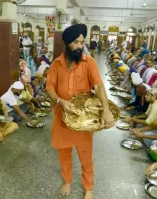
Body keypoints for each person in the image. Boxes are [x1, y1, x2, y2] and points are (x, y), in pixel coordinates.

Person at [45, 24, 115, 199]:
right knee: (64, 153)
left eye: (82, 42)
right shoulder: (56, 64)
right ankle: (67, 181)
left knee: (85, 155)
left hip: (83, 119)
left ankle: (88, 187)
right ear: (68, 43)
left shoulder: (89, 62)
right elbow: (49, 88)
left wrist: (106, 110)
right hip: (62, 118)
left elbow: (99, 85)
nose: (79, 46)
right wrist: (60, 101)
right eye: (76, 42)